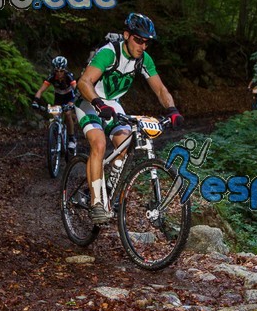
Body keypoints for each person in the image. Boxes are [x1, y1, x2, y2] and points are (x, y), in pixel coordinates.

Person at [76, 12, 183, 224]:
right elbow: (84, 82)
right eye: (139, 40)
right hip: (90, 101)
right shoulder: (109, 53)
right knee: (99, 143)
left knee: (124, 144)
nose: (143, 46)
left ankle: (106, 187)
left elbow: (160, 89)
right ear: (127, 35)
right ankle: (96, 203)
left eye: (147, 42)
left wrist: (172, 109)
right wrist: (98, 103)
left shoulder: (144, 59)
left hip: (112, 103)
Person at [33, 56, 78, 153]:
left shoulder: (69, 76)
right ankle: (56, 134)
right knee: (54, 116)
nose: (59, 73)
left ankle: (71, 139)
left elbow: (77, 90)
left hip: (69, 97)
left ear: (64, 70)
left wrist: (73, 102)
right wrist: (35, 101)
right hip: (58, 98)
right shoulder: (51, 77)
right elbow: (41, 90)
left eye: (61, 71)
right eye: (57, 71)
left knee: (67, 114)